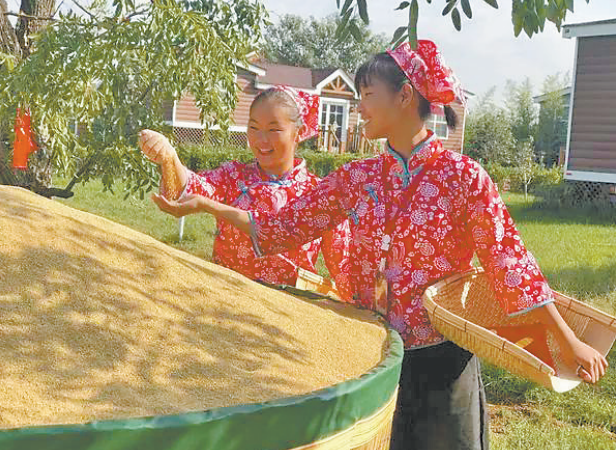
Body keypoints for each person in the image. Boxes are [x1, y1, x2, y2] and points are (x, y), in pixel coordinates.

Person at [151, 41, 608, 449]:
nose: (359, 106)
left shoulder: (463, 179)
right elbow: (281, 227)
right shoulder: (358, 178)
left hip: (441, 364)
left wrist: (565, 340)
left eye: (367, 95)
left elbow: (509, 261)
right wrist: (208, 208)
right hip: (371, 358)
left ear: (404, 95)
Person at [140, 85, 350, 288]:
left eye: (273, 129)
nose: (261, 140)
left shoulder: (319, 194)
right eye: (253, 127)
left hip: (286, 312)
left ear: (298, 132)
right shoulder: (233, 176)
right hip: (223, 297)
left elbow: (344, 268)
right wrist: (169, 158)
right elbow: (187, 192)